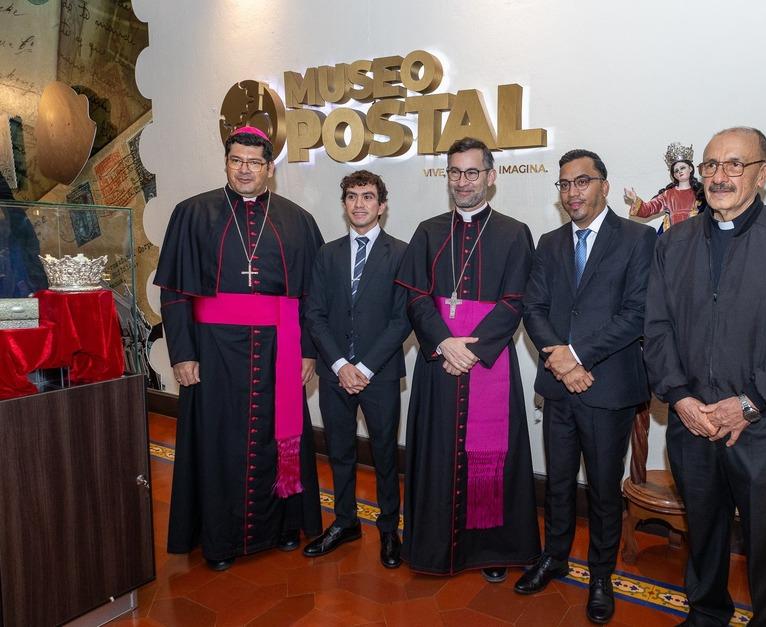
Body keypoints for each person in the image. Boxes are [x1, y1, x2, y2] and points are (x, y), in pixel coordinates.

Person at [644, 127, 766, 626]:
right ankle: (706, 615)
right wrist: (680, 398)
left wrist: (748, 404)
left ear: (762, 173)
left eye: (734, 165)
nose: (719, 176)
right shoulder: (674, 242)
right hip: (692, 423)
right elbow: (656, 327)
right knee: (703, 536)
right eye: (710, 165)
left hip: (764, 428)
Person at [154, 126, 324, 571]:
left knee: (278, 434)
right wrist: (182, 353)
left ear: (270, 169)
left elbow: (313, 297)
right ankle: (220, 538)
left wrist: (308, 350)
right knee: (219, 442)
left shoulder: (298, 220)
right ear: (226, 163)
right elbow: (174, 292)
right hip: (213, 352)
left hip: (278, 350)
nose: (244, 170)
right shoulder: (192, 213)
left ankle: (282, 527)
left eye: (254, 162)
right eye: (236, 161)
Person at [395, 137, 540, 581]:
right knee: (437, 453)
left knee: (492, 454)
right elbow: (415, 296)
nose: (463, 181)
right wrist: (444, 342)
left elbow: (517, 301)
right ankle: (433, 547)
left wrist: (471, 350)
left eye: (472, 172)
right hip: (440, 362)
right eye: (455, 172)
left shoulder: (514, 232)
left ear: (490, 177)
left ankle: (490, 548)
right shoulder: (428, 231)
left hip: (488, 361)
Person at [520, 149, 656, 624]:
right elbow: (533, 308)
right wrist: (561, 362)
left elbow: (636, 313)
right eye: (564, 184)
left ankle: (601, 576)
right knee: (558, 482)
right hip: (560, 387)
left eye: (582, 181)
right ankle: (554, 557)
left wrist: (574, 356)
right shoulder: (549, 242)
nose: (572, 192)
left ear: (604, 185)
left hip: (607, 388)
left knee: (602, 489)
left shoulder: (638, 239)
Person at [304, 170, 411, 568]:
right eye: (352, 196)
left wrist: (363, 367)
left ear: (382, 206)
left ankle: (389, 529)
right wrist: (339, 365)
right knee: (340, 451)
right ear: (344, 204)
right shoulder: (327, 254)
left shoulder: (401, 253)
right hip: (334, 374)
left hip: (379, 374)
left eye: (368, 196)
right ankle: (345, 522)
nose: (359, 204)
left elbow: (402, 319)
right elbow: (314, 314)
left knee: (384, 455)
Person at [624, 142, 704, 234]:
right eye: (676, 171)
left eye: (682, 168)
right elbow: (649, 209)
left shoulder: (700, 193)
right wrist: (635, 199)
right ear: (674, 175)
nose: (680, 172)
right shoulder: (668, 194)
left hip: (694, 236)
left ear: (690, 168)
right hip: (672, 237)